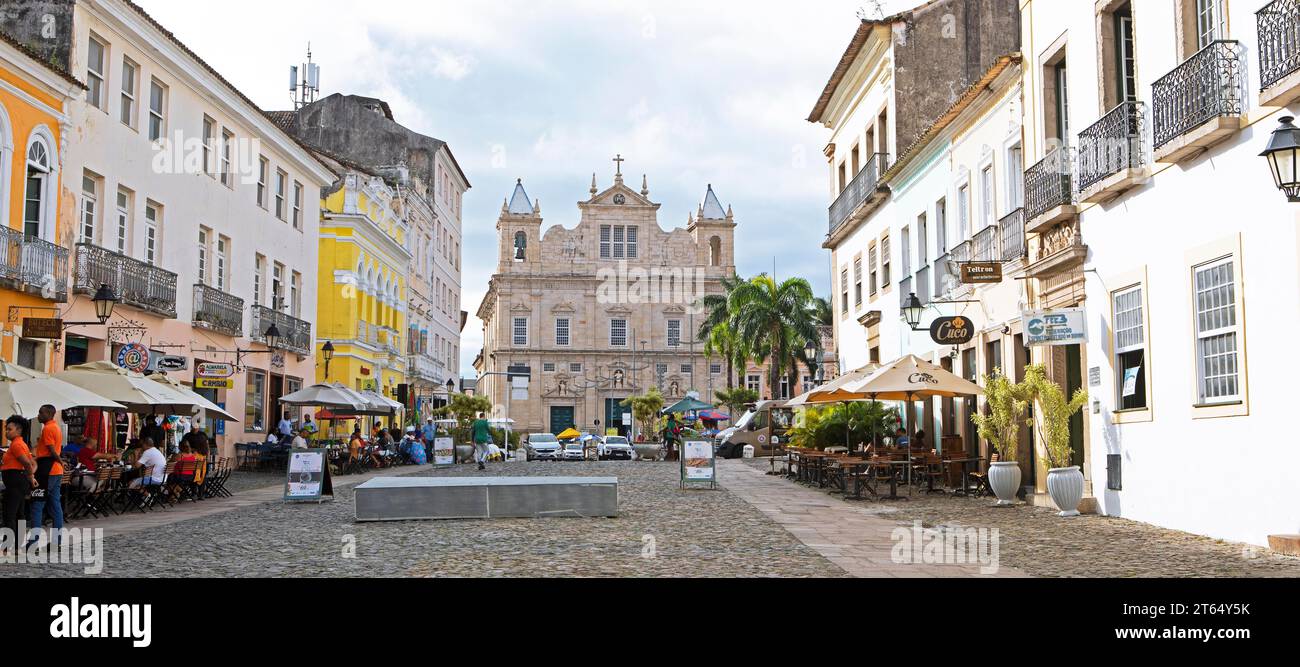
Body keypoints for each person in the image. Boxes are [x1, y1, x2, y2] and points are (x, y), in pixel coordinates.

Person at [27, 404, 65, 547]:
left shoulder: (48, 428)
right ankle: (57, 541)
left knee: (37, 504)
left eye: (41, 413)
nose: (38, 415)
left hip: (48, 470)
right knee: (55, 506)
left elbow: (51, 451)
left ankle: (33, 543)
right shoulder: (56, 427)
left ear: (49, 414)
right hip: (56, 471)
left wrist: (61, 461)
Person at [1, 415, 36, 557]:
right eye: (6, 429)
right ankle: (16, 547)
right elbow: (32, 463)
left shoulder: (16, 445)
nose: (6, 432)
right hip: (19, 481)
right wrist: (30, 477)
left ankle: (5, 548)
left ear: (19, 430)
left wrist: (30, 475)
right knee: (19, 515)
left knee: (10, 514)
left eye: (9, 429)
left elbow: (28, 463)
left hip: (15, 482)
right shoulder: (21, 443)